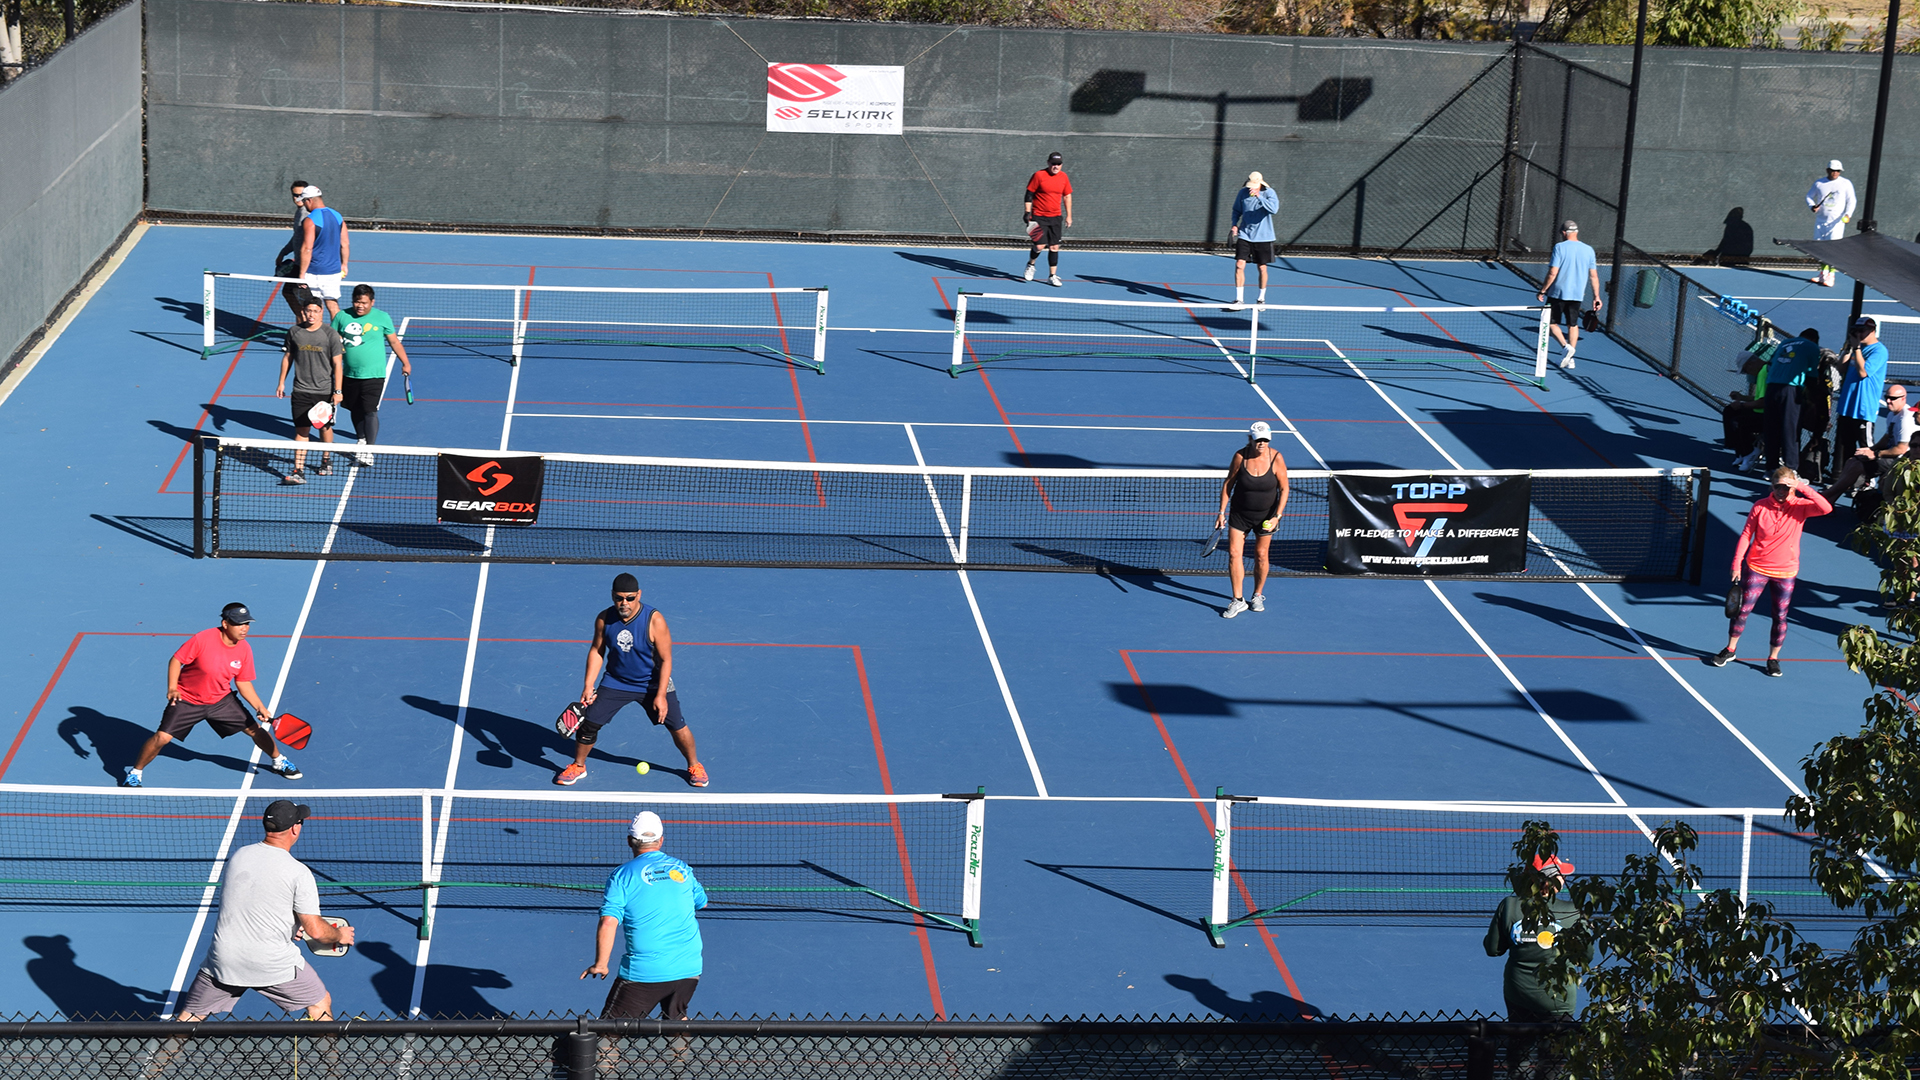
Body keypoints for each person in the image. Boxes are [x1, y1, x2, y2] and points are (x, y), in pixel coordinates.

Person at [176, 800, 353, 1021]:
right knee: (319, 1003)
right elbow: (316, 931)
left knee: (190, 1017)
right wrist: (339, 935)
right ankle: (330, 1056)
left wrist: (290, 927)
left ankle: (164, 1055)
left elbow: (256, 901)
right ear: (295, 828)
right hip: (271, 962)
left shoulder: (239, 856)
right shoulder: (299, 872)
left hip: (224, 958)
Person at [126, 603, 301, 787]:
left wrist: (260, 707)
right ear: (225, 624)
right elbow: (177, 660)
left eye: (247, 624)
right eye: (239, 624)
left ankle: (279, 761)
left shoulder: (244, 649)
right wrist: (172, 688)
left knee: (254, 730)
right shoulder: (203, 639)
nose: (244, 628)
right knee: (162, 738)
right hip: (187, 699)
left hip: (220, 701)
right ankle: (135, 772)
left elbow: (242, 682)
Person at [558, 574, 707, 788]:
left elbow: (666, 660)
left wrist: (661, 695)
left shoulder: (654, 620)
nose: (624, 603)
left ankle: (694, 765)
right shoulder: (604, 619)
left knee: (677, 725)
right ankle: (578, 766)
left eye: (629, 598)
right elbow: (597, 650)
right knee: (589, 723)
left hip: (652, 682)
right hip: (616, 681)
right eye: (619, 598)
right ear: (612, 596)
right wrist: (588, 685)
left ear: (639, 595)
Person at [581, 810, 707, 1021]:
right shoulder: (682, 869)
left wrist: (601, 963)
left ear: (630, 841)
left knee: (609, 1032)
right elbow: (701, 903)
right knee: (677, 1020)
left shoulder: (622, 875)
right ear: (661, 841)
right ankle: (683, 1055)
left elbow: (608, 922)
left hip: (645, 973)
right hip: (689, 967)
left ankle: (607, 1055)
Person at [1711, 467, 1833, 677]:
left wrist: (1802, 487)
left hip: (1786, 572)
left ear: (1793, 488)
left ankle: (1773, 658)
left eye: (1787, 487)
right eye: (1778, 486)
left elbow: (1826, 508)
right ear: (1772, 486)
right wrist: (1736, 564)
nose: (1782, 491)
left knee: (1780, 615)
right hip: (1757, 568)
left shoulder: (1801, 507)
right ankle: (1730, 649)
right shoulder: (1760, 507)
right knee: (1742, 610)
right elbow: (1746, 535)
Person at [1484, 854, 1581, 1075]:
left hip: (1519, 994)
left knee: (1519, 1053)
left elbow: (1492, 949)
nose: (1565, 879)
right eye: (1561, 875)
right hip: (1558, 1000)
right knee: (1553, 1061)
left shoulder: (1510, 906)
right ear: (1550, 881)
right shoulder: (1572, 912)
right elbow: (1585, 955)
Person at [1215, 421, 1289, 619]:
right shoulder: (1240, 456)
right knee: (1233, 554)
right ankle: (1238, 600)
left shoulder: (1276, 458)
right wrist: (1221, 512)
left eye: (1265, 440)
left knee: (1261, 555)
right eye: (1258, 440)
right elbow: (1228, 483)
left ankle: (1257, 595)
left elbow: (1284, 488)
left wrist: (1277, 517)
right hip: (1239, 515)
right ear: (1250, 439)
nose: (1261, 444)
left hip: (1266, 516)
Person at [332, 284, 412, 466]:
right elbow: (333, 341)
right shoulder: (341, 316)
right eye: (356, 302)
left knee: (370, 410)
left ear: (372, 302)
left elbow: (394, 342)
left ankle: (369, 449)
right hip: (349, 374)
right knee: (354, 408)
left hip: (374, 374)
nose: (360, 306)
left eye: (364, 303)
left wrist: (405, 362)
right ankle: (361, 438)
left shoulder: (382, 317)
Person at [276, 299, 344, 484]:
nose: (311, 314)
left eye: (315, 310)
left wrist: (338, 390)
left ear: (321, 312)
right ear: (303, 312)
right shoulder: (294, 332)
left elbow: (338, 363)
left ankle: (326, 460)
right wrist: (281, 382)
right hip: (300, 390)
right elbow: (288, 357)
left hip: (324, 391)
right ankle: (299, 470)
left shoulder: (330, 334)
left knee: (324, 427)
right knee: (301, 430)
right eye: (308, 311)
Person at [1823, 381, 1914, 503]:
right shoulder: (1892, 415)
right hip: (1890, 456)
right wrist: (1870, 450)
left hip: (1902, 460)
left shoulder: (1906, 418)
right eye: (1887, 397)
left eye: (1892, 398)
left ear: (1903, 398)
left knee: (1858, 466)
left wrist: (1876, 454)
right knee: (1852, 460)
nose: (1888, 401)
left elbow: (1901, 449)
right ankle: (1830, 500)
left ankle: (1827, 495)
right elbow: (1887, 437)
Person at [1534, 220, 1602, 370]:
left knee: (1550, 323)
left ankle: (1566, 348)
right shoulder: (1589, 250)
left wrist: (1543, 290)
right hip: (1577, 295)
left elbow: (1553, 272)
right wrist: (1596, 297)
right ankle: (1570, 358)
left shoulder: (1559, 247)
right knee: (1573, 325)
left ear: (1564, 233)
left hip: (1557, 293)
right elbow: (1594, 276)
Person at [1760, 328, 1823, 474]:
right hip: (1791, 389)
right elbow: (1812, 374)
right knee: (1791, 430)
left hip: (1772, 388)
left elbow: (1770, 366)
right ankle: (1791, 469)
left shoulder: (1785, 342)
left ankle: (1771, 467)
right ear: (1815, 339)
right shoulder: (1812, 347)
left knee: (1771, 428)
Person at [1833, 316, 1888, 462]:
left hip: (1863, 409)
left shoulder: (1879, 351)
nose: (1858, 334)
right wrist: (1848, 349)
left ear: (1872, 330)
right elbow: (1841, 368)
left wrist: (1857, 348)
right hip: (1847, 407)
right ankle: (1846, 479)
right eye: (1856, 331)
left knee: (1866, 447)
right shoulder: (1856, 349)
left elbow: (1863, 372)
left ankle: (1869, 480)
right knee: (1846, 446)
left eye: (1861, 331)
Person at [1227, 171, 1279, 310]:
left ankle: (1261, 300)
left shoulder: (1269, 193)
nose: (1251, 188)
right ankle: (1239, 300)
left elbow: (1274, 210)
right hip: (1245, 235)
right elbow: (1236, 210)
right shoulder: (1243, 193)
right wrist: (1234, 225)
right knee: (1239, 265)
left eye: (1254, 186)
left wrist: (1259, 197)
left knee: (1262, 268)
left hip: (1264, 237)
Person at [295, 185, 349, 318]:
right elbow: (345, 243)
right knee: (333, 305)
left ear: (309, 200)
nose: (304, 205)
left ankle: (316, 337)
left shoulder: (310, 220)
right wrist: (344, 265)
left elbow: (307, 248)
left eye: (304, 201)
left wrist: (301, 274)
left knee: (313, 308)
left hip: (314, 272)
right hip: (334, 272)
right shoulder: (338, 216)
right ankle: (338, 337)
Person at [1022, 152, 1073, 287]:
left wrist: (1069, 215)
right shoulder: (1038, 175)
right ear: (1048, 163)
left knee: (1054, 247)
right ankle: (1031, 264)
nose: (1056, 166)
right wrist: (1027, 212)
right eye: (1053, 164)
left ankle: (1052, 276)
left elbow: (1067, 196)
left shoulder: (1064, 177)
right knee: (1039, 246)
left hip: (1055, 218)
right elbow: (1029, 194)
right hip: (1038, 216)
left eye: (1058, 164)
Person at [1805, 160, 1856, 287]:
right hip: (1820, 221)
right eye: (1833, 170)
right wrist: (1812, 206)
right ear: (1827, 170)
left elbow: (1852, 200)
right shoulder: (1819, 183)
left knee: (1833, 250)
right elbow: (1809, 196)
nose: (1835, 173)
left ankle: (1831, 276)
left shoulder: (1846, 183)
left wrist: (1848, 214)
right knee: (1820, 249)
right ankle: (1822, 274)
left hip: (1837, 223)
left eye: (1838, 171)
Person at [274, 180, 314, 319]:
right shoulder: (299, 212)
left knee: (306, 301)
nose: (297, 198)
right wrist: (283, 253)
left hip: (306, 265)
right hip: (298, 263)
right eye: (294, 195)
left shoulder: (308, 215)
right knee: (289, 293)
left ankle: (306, 327)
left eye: (300, 195)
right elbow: (296, 238)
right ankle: (302, 321)